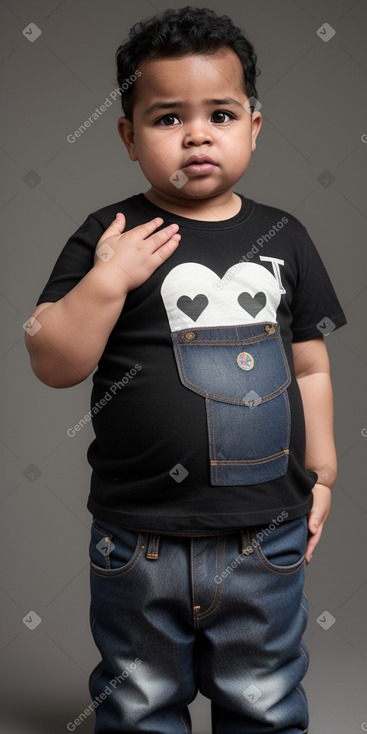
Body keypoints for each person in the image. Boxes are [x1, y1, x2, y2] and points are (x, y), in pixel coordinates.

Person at [25, 6, 347, 733]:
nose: (197, 134)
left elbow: (309, 364)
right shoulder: (110, 236)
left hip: (262, 531)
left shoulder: (284, 237)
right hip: (137, 536)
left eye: (221, 114)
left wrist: (321, 470)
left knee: (262, 693)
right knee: (138, 699)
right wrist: (107, 281)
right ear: (128, 137)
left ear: (253, 128)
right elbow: (52, 360)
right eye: (167, 118)